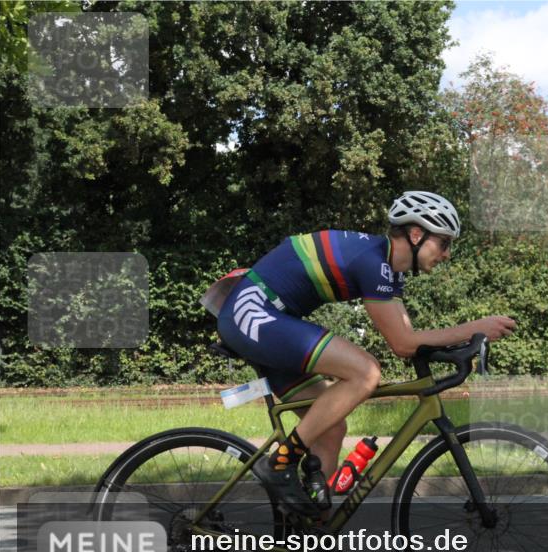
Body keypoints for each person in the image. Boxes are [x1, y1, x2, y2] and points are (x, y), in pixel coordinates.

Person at [214, 191, 516, 517]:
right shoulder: (373, 263)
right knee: (366, 372)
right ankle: (280, 463)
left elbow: (411, 341)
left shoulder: (389, 270)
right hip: (253, 313)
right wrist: (474, 328)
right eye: (443, 243)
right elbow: (403, 344)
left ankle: (311, 534)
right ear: (416, 234)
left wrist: (456, 347)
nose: (447, 254)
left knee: (331, 430)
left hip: (267, 319)